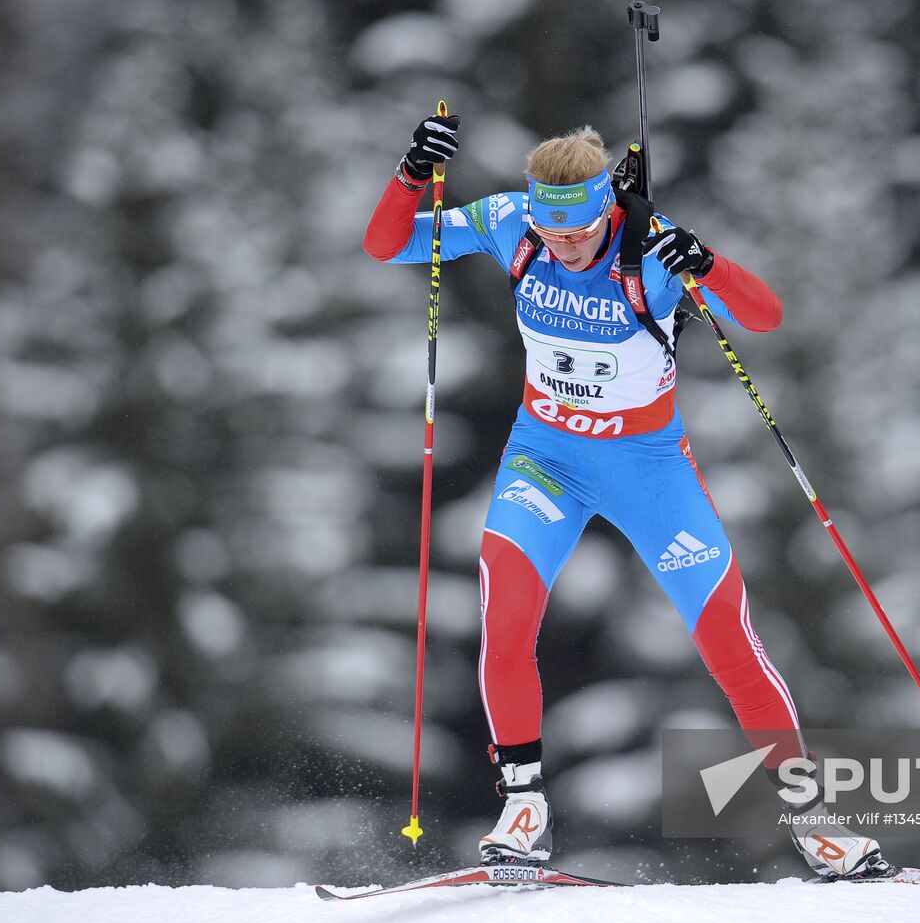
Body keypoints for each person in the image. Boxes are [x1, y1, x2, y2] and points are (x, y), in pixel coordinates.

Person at [363, 112, 890, 880]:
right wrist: (412, 174)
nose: (564, 250)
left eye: (578, 236)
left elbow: (766, 315)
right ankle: (523, 806)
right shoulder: (513, 222)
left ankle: (813, 820)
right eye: (552, 236)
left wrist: (707, 265)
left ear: (607, 211)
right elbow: (388, 244)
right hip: (544, 460)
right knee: (505, 622)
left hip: (649, 470)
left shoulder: (652, 246)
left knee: (730, 645)